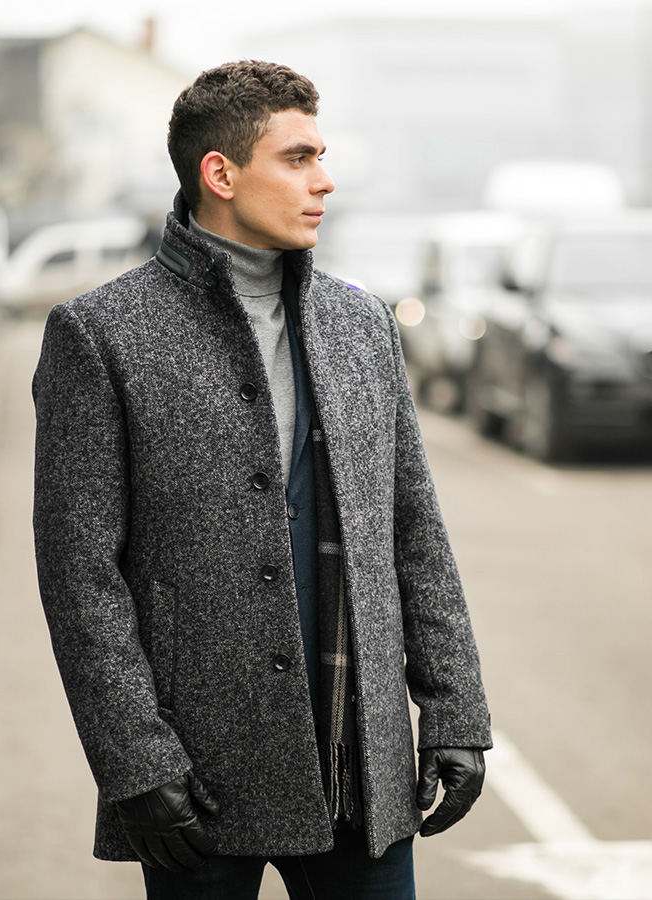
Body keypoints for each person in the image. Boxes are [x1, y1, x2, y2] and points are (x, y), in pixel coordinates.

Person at [32, 60, 492, 900]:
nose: (324, 181)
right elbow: (79, 572)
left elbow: (413, 528)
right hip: (199, 769)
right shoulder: (100, 334)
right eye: (298, 158)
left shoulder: (361, 323)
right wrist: (135, 759)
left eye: (321, 156)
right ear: (221, 173)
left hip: (360, 754)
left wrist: (454, 708)